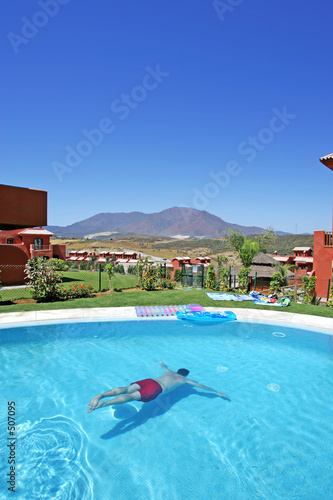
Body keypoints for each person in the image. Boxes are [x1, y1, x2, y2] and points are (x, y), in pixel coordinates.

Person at [87, 360, 229, 413]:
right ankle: (104, 404)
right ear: (185, 375)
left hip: (149, 381)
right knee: (130, 397)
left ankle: (102, 395)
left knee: (126, 389)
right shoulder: (186, 381)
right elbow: (202, 387)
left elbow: (164, 366)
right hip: (155, 389)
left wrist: (161, 363)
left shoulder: (170, 371)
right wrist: (216, 391)